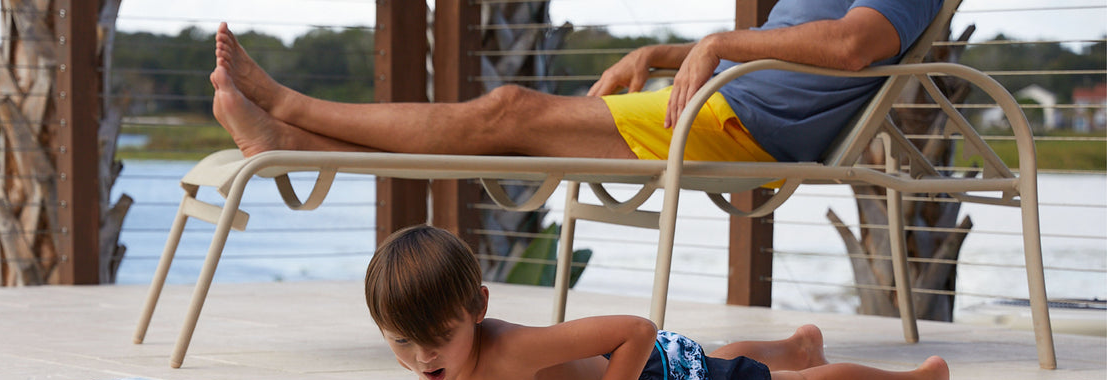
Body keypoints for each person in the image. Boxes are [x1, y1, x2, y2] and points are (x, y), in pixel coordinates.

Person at [365, 225, 957, 380]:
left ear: (478, 309)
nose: (422, 357)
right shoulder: (431, 355)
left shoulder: (514, 350)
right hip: (657, 371)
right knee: (721, 362)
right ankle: (798, 342)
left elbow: (638, 332)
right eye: (401, 343)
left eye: (436, 338)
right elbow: (430, 366)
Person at [211, 0, 943, 164]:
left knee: (506, 112)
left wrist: (716, 43)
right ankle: (288, 136)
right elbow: (799, 46)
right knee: (503, 125)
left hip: (736, 125)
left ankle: (288, 110)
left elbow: (852, 47)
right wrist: (663, 50)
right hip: (710, 107)